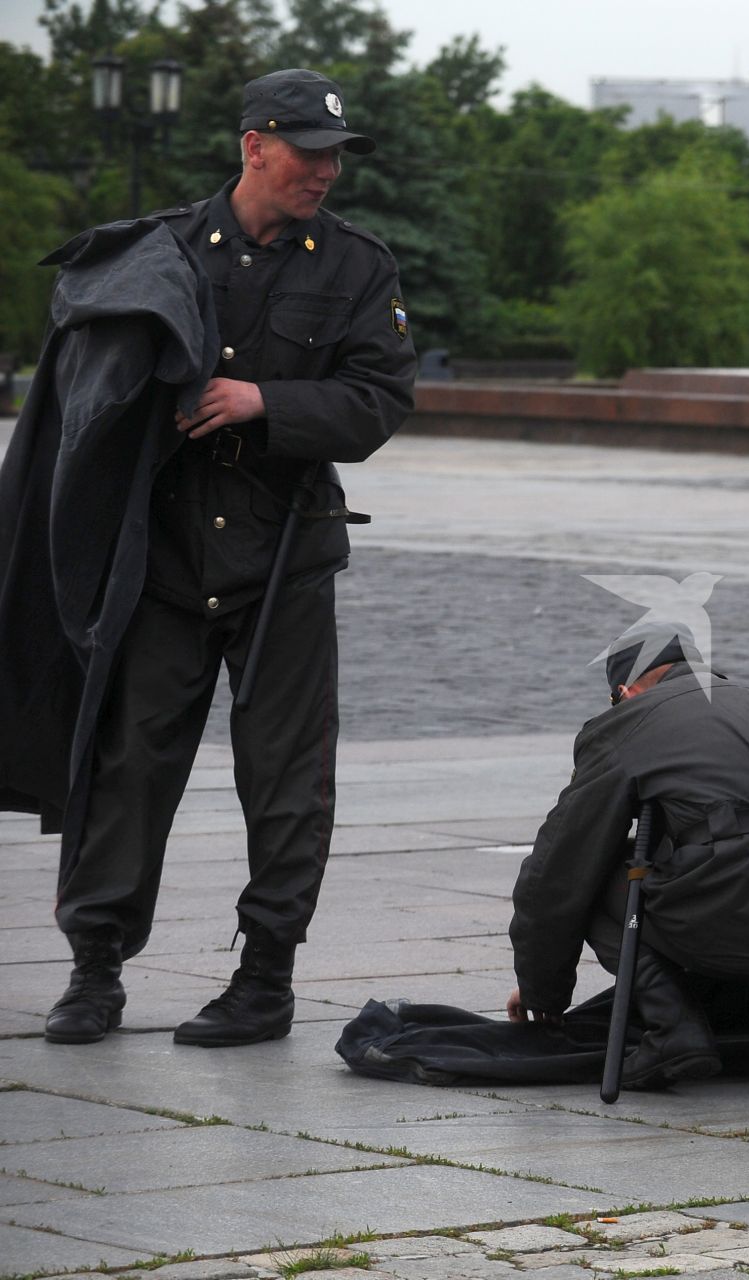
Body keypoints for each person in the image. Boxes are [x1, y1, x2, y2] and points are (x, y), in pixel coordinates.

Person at [35, 69, 415, 1047]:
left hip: (284, 555)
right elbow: (89, 378)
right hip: (161, 556)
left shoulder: (356, 267)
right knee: (127, 766)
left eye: (335, 155)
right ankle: (94, 970)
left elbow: (379, 400)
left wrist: (264, 404)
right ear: (253, 144)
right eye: (306, 151)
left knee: (288, 780)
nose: (324, 172)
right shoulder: (157, 252)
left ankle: (264, 980)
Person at [506, 624, 749, 1090]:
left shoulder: (636, 717)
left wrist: (542, 990)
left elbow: (559, 866)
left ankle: (674, 1033)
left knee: (601, 868)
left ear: (625, 691)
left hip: (734, 906)